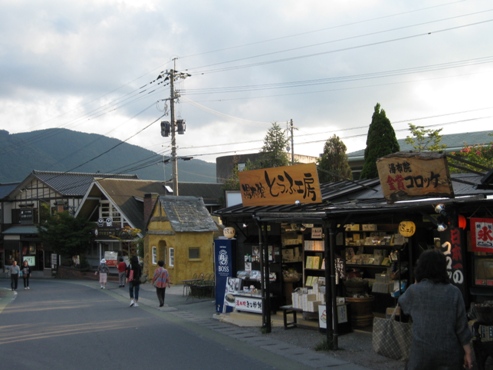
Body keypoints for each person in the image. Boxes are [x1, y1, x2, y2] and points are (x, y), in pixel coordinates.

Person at [398, 249, 473, 370]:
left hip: (421, 354)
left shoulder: (413, 291)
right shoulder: (454, 292)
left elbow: (402, 304)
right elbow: (461, 327)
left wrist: (417, 281)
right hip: (450, 353)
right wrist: (468, 353)